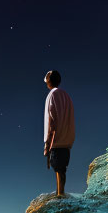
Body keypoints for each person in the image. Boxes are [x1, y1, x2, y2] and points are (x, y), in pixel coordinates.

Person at [42, 69, 75, 197]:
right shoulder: (66, 96)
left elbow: (52, 120)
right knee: (62, 169)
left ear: (49, 81)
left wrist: (48, 143)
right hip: (67, 140)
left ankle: (60, 194)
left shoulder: (52, 95)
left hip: (56, 140)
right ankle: (60, 192)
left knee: (58, 169)